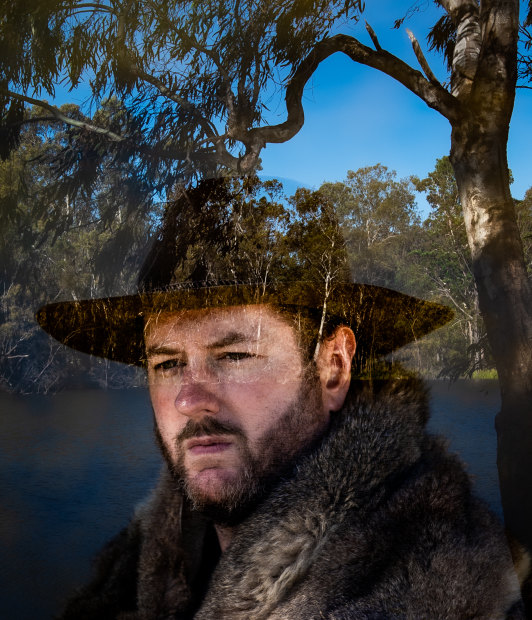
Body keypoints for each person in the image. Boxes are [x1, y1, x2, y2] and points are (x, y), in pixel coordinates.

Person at [37, 179, 525, 618]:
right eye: (166, 364)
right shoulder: (144, 560)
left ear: (334, 368)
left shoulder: (438, 582)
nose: (189, 399)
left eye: (233, 356)